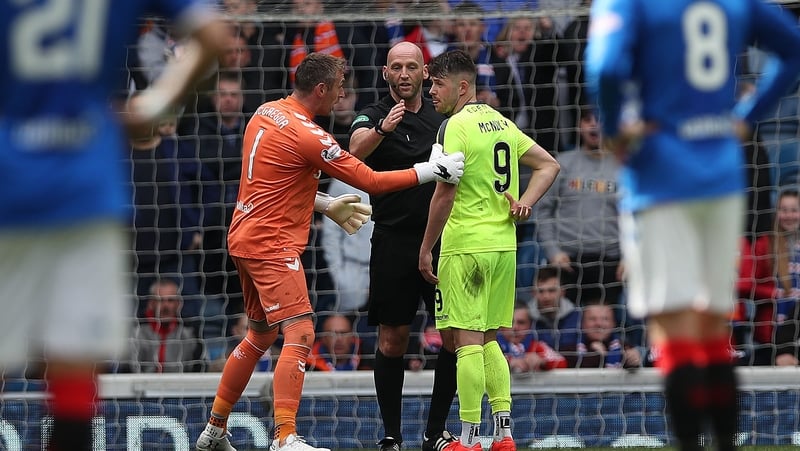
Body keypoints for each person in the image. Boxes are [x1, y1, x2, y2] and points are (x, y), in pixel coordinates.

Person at [195, 52, 465, 451]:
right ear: (320, 90)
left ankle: (214, 430)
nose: (342, 97)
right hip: (272, 244)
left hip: (245, 235)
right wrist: (432, 171)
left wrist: (324, 205)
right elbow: (371, 180)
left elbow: (275, 181)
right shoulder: (311, 136)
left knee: (258, 336)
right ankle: (285, 438)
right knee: (301, 332)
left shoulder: (266, 113)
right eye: (338, 90)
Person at [0, 2, 228, 450]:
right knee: (73, 364)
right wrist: (153, 104)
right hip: (85, 185)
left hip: (10, 183)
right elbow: (214, 35)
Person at [585, 1, 800, 450]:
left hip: (660, 173)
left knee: (675, 332)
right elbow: (794, 46)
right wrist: (747, 116)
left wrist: (616, 130)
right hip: (722, 172)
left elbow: (605, 68)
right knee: (710, 328)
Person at [419, 49, 560, 451]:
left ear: (462, 87)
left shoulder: (453, 127)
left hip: (465, 247)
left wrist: (427, 247)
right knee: (490, 341)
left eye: (438, 84)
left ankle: (467, 438)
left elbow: (444, 195)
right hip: (503, 245)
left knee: (465, 344)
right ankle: (505, 433)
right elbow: (549, 165)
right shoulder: (501, 123)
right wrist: (525, 202)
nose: (432, 91)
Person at [348, 41, 458, 451]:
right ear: (386, 73)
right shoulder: (373, 114)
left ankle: (435, 434)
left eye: (413, 66)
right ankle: (391, 436)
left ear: (425, 72)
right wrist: (383, 130)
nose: (405, 74)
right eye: (397, 67)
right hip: (393, 239)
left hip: (443, 241)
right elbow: (351, 153)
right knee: (393, 338)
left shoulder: (442, 116)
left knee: (450, 337)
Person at [535, 106, 623, 308]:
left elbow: (635, 215)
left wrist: (628, 257)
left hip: (611, 262)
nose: (594, 124)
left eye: (600, 119)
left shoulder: (622, 166)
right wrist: (553, 251)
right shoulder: (563, 163)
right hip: (567, 261)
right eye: (588, 120)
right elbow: (543, 209)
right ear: (579, 126)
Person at [128, 279, 205, 373]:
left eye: (170, 300)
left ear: (178, 304)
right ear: (151, 304)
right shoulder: (136, 330)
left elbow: (198, 368)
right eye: (160, 300)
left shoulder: (190, 331)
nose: (165, 306)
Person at [562, 301, 641, 369]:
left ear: (613, 324)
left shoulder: (625, 348)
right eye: (592, 319)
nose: (599, 324)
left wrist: (633, 362)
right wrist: (595, 355)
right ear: (582, 324)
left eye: (605, 319)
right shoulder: (569, 351)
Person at [497, 302, 567, 373]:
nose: (515, 327)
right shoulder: (493, 346)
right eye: (510, 323)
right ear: (501, 325)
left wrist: (542, 361)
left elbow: (562, 363)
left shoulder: (536, 345)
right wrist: (508, 362)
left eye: (521, 322)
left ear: (530, 326)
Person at [527, 265, 582, 352]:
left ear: (562, 292)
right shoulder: (525, 318)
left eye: (551, 291)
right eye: (541, 291)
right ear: (533, 293)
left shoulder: (577, 317)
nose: (546, 297)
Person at [307, 314, 372, 371]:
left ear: (352, 337)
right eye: (333, 334)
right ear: (323, 338)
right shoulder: (308, 365)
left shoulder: (368, 356)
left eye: (344, 333)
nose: (339, 339)